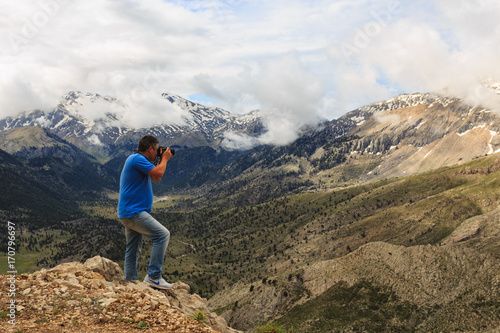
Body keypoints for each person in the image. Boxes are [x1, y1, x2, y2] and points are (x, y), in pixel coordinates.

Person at [118, 135, 174, 289]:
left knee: (133, 249)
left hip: (128, 212)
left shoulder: (136, 160)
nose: (158, 153)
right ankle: (154, 276)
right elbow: (159, 174)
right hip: (134, 212)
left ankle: (131, 284)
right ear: (150, 148)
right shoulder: (137, 159)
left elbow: (156, 178)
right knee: (162, 235)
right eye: (156, 150)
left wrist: (159, 160)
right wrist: (165, 159)